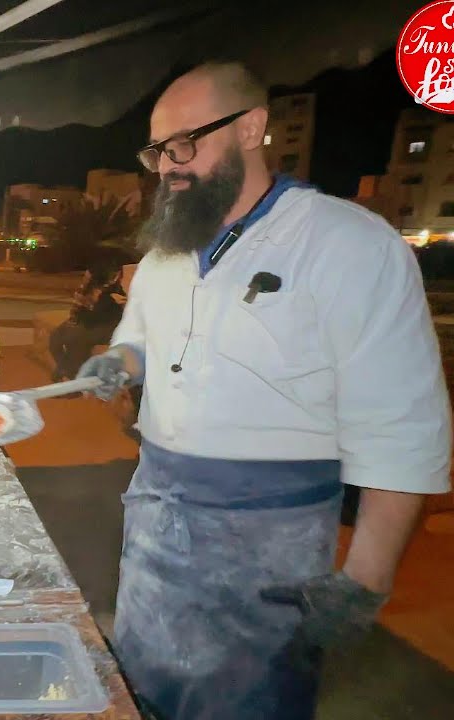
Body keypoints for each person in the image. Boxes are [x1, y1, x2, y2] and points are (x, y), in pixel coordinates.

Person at [79, 62, 451, 720]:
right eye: (159, 150)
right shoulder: (168, 252)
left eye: (185, 143)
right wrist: (117, 363)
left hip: (269, 552)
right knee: (142, 692)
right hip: (157, 526)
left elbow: (403, 429)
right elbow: (138, 340)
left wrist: (365, 578)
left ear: (251, 128)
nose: (168, 165)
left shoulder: (347, 245)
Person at [49, 262, 127, 381]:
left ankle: (74, 379)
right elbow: (77, 309)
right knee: (55, 336)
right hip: (86, 322)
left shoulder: (110, 292)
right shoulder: (87, 289)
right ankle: (64, 368)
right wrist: (73, 321)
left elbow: (99, 317)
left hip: (103, 327)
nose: (85, 277)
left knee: (76, 339)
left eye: (88, 275)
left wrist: (116, 300)